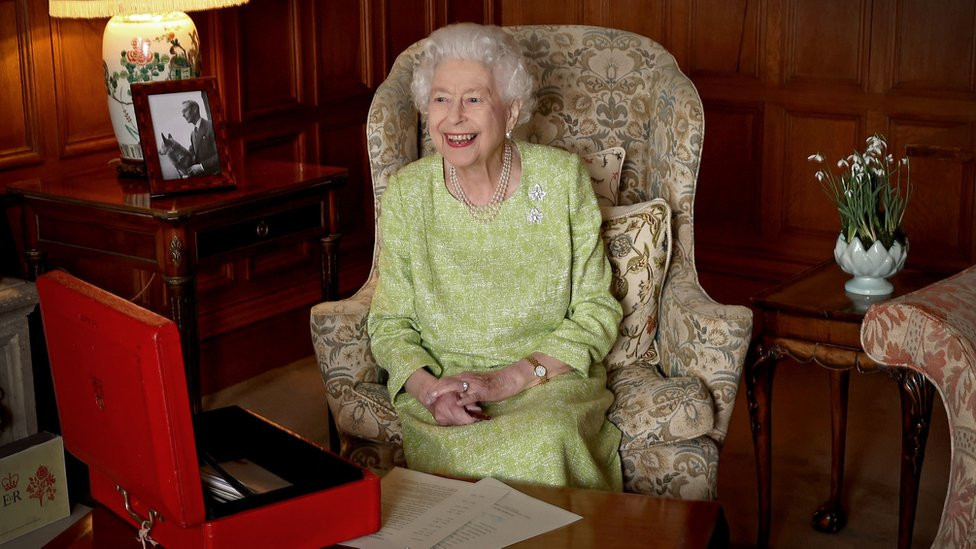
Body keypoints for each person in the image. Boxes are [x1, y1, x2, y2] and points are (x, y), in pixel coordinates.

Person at [367, 23, 623, 491]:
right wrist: (429, 392)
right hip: (445, 390)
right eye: (441, 99)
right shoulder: (407, 194)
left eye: (474, 99)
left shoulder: (562, 179)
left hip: (546, 381)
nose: (455, 117)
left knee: (546, 441)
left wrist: (507, 381)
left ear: (511, 111)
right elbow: (390, 324)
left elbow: (596, 310)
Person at [180, 99, 220, 176]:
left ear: (195, 109)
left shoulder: (211, 126)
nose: (183, 115)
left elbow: (221, 155)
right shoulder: (192, 135)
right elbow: (191, 156)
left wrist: (202, 166)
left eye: (185, 111)